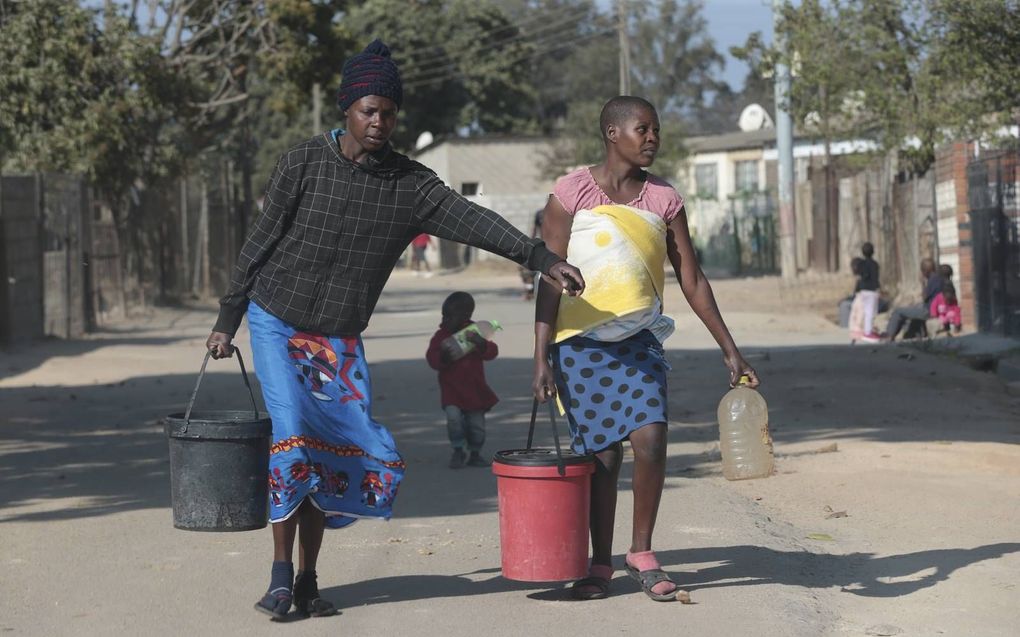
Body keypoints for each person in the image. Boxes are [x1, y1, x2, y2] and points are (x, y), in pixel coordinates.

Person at [204, 39, 585, 621]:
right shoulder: (301, 163)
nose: (379, 122)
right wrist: (227, 319)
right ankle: (279, 578)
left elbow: (473, 220)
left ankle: (308, 579)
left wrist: (540, 256)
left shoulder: (411, 185)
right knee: (294, 441)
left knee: (334, 452)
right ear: (345, 109)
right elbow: (259, 244)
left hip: (338, 339)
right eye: (368, 110)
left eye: (388, 112)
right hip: (277, 322)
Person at [532, 96, 759, 602]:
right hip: (580, 346)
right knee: (603, 458)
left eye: (656, 130)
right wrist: (540, 355)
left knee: (652, 439)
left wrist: (731, 349)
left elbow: (693, 279)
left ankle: (642, 552)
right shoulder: (570, 194)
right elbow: (547, 278)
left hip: (638, 341)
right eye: (643, 129)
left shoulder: (664, 200)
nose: (653, 138)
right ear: (613, 133)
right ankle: (599, 565)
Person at [426, 292, 498, 468]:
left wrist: (481, 343)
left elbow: (492, 352)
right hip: (451, 391)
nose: (446, 320)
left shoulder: (475, 333)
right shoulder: (441, 336)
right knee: (454, 420)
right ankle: (458, 450)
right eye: (445, 316)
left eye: (451, 316)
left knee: (477, 426)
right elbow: (432, 359)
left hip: (475, 389)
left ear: (467, 316)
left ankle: (475, 452)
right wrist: (443, 356)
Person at [883, 257, 942, 341]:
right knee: (913, 307)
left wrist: (922, 283)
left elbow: (925, 297)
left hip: (928, 310)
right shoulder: (938, 278)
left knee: (898, 311)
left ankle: (889, 335)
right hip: (931, 308)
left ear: (925, 271)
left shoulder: (932, 280)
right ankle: (911, 334)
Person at [853, 242, 881, 342]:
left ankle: (866, 329)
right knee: (870, 312)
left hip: (863, 290)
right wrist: (878, 288)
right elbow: (875, 278)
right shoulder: (875, 264)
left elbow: (859, 276)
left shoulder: (861, 264)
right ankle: (868, 332)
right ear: (873, 252)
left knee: (865, 311)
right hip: (871, 291)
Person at [520, 208, 545, 300]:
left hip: (553, 245)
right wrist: (531, 243)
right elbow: (535, 228)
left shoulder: (559, 212)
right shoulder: (540, 214)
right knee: (526, 269)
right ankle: (529, 292)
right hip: (542, 243)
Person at [930, 264, 962, 334]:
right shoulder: (939, 296)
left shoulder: (952, 299)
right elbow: (933, 305)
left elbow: (956, 311)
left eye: (951, 296)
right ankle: (944, 328)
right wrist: (934, 315)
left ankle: (949, 328)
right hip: (940, 316)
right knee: (940, 320)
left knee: (952, 314)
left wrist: (957, 324)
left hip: (947, 316)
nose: (948, 297)